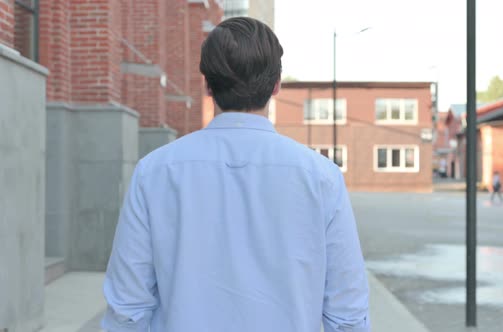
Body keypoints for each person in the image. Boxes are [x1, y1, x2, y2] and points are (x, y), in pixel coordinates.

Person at [102, 17, 370, 332]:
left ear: (207, 85)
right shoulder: (321, 177)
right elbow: (347, 311)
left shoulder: (154, 172)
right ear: (276, 86)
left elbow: (128, 307)